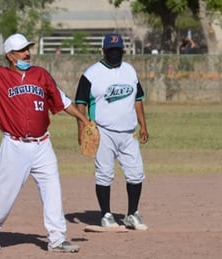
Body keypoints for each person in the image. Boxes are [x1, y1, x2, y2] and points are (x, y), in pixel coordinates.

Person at [0, 30, 90, 253]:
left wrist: (83, 119)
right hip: (15, 145)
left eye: (28, 49)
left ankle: (57, 239)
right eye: (22, 50)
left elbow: (62, 100)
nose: (27, 53)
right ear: (10, 55)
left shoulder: (41, 75)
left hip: (43, 145)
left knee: (53, 191)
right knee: (4, 194)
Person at [74, 33, 149, 231]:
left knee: (136, 173)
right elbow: (80, 104)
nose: (115, 54)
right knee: (104, 173)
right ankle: (106, 215)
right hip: (103, 131)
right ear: (103, 51)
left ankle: (132, 214)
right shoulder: (91, 74)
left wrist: (144, 125)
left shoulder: (130, 71)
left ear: (122, 51)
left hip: (128, 132)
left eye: (118, 51)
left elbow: (138, 99)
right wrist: (81, 130)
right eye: (111, 51)